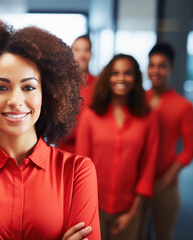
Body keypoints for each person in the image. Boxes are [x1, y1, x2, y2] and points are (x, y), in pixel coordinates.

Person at [0, 19, 101, 239]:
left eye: (29, 87)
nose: (15, 100)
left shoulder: (77, 172)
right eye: (1, 87)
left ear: (46, 94)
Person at [76, 54, 158, 240]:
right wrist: (86, 210)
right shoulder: (91, 115)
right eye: (115, 73)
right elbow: (81, 167)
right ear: (108, 78)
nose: (121, 78)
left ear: (136, 78)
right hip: (94, 207)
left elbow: (147, 169)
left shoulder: (148, 118)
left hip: (129, 209)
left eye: (127, 73)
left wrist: (133, 214)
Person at [146, 42, 193, 240]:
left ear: (171, 69)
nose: (156, 71)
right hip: (136, 183)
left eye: (162, 66)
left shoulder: (183, 106)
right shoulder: (138, 99)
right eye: (152, 65)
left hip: (165, 184)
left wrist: (165, 180)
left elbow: (188, 151)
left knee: (164, 236)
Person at [59, 34, 96, 153]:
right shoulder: (61, 85)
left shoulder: (99, 85)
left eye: (86, 50)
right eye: (77, 50)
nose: (82, 55)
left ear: (91, 54)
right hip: (65, 149)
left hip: (93, 149)